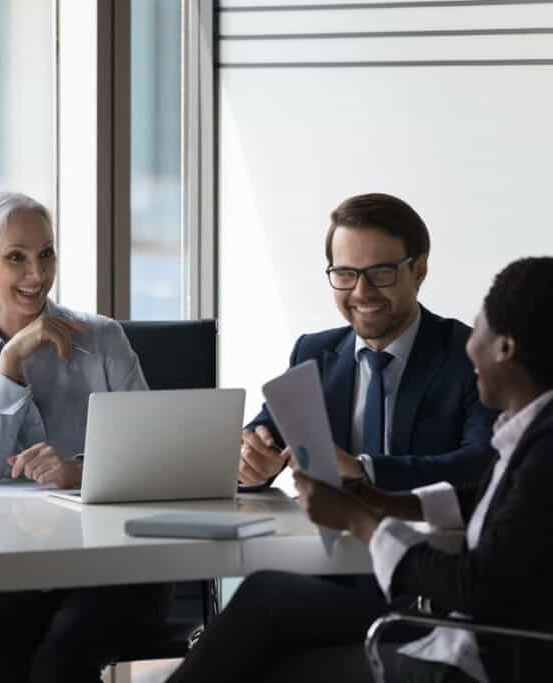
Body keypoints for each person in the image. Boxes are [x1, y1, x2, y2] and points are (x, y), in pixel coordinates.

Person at [168, 256, 553, 683]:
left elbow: (477, 587)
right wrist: (383, 500)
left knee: (264, 648)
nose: (470, 346)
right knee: (264, 602)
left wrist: (360, 519)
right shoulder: (535, 432)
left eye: (480, 329)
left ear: (505, 348)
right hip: (464, 631)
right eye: (345, 273)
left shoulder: (544, 450)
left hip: (476, 654)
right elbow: (489, 497)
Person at [0, 191, 171, 683]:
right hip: (19, 568)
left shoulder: (101, 338)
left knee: (60, 659)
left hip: (117, 565)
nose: (37, 274)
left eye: (46, 254)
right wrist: (11, 361)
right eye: (15, 257)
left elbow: (152, 452)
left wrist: (77, 470)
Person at [240, 193, 497, 492]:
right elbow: (264, 438)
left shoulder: (471, 354)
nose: (362, 292)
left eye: (381, 273)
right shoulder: (313, 354)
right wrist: (250, 461)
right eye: (346, 274)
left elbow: (484, 464)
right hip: (327, 535)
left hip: (436, 535)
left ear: (419, 271)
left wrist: (365, 470)